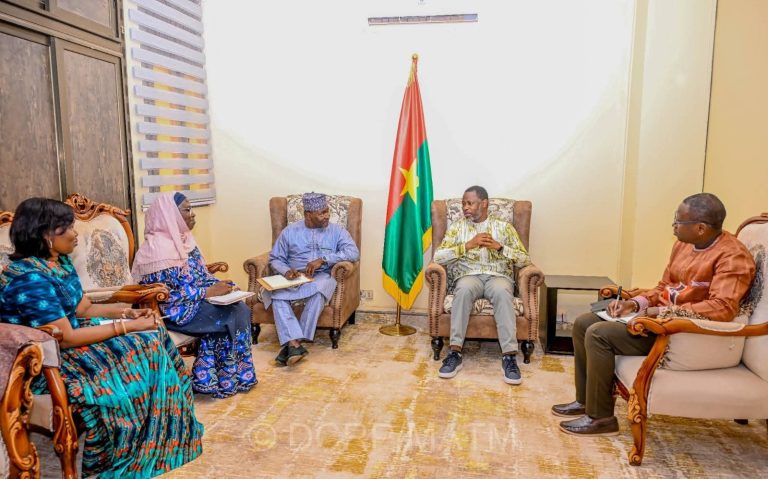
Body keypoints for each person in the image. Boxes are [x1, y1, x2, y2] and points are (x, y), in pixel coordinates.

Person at [0, 198, 203, 478]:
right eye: (68, 228)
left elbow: (83, 309)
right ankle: (131, 445)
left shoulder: (58, 262)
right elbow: (66, 337)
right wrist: (126, 328)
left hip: (70, 341)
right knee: (142, 348)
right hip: (46, 362)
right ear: (46, 235)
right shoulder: (29, 278)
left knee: (154, 335)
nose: (75, 234)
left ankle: (167, 429)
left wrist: (126, 313)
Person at [552, 193, 756, 436]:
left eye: (678, 221)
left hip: (681, 332)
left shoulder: (732, 257)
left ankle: (602, 419)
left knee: (599, 334)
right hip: (658, 320)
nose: (674, 226)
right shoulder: (683, 244)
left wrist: (659, 312)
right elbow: (664, 288)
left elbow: (722, 308)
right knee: (584, 322)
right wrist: (634, 304)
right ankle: (586, 401)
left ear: (701, 228)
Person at [133, 192, 257, 399]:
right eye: (187, 210)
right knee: (227, 315)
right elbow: (166, 295)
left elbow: (201, 275)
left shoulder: (185, 240)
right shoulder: (156, 250)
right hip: (174, 312)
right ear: (170, 214)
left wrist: (222, 286)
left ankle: (232, 378)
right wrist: (207, 292)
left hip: (197, 302)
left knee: (241, 308)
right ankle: (214, 380)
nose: (193, 214)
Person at [433, 185, 532, 384]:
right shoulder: (457, 228)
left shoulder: (504, 228)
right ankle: (455, 352)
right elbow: (438, 256)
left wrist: (500, 247)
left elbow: (524, 259)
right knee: (463, 291)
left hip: (498, 276)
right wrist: (467, 245)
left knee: (503, 293)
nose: (465, 207)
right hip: (469, 275)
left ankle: (509, 357)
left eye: (470, 203)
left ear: (484, 203)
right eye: (463, 204)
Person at [264, 192, 360, 366]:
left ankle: (293, 343)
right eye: (321, 213)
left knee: (320, 291)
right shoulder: (289, 232)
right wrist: (286, 271)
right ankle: (295, 345)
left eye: (327, 211)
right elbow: (275, 258)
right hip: (294, 278)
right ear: (308, 215)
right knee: (276, 296)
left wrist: (324, 259)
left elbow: (353, 253)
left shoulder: (337, 231)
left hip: (321, 276)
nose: (326, 216)